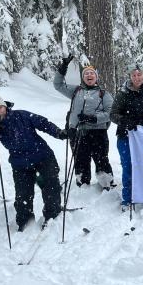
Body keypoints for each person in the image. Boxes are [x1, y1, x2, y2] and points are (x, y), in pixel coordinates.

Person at [0, 93, 68, 231]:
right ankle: (25, 220)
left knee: (50, 186)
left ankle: (52, 214)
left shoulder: (21, 115)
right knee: (23, 196)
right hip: (20, 164)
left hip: (42, 157)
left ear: (4, 106)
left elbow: (43, 123)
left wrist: (58, 133)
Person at [54, 56, 115, 190]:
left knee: (101, 159)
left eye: (91, 73)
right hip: (78, 132)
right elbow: (57, 85)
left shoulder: (103, 94)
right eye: (86, 73)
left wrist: (93, 118)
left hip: (98, 132)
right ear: (83, 77)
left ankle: (107, 185)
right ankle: (83, 184)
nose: (89, 75)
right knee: (81, 160)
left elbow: (110, 113)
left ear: (96, 77)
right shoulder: (76, 91)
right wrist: (62, 69)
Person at [109, 64, 143, 208]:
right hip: (126, 136)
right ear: (130, 77)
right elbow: (113, 114)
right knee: (128, 167)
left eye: (139, 74)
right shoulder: (123, 93)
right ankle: (128, 198)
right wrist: (125, 121)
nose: (137, 77)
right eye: (134, 75)